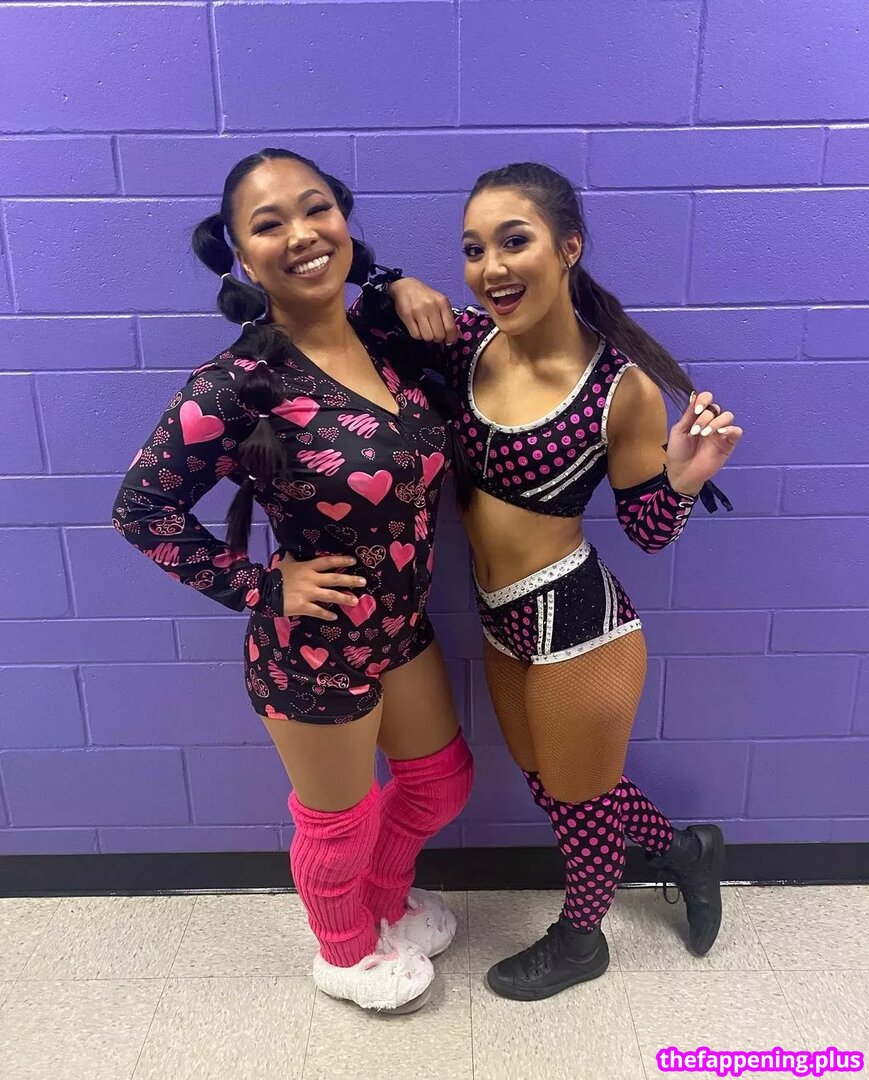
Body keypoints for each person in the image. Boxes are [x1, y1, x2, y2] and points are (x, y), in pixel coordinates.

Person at [112, 148, 474, 1014]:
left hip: (400, 628)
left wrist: (396, 283)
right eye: (269, 224)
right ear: (241, 257)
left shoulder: (388, 344)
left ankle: (385, 900)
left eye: (316, 209)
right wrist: (261, 587)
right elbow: (142, 508)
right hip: (310, 649)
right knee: (338, 823)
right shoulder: (237, 385)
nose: (302, 234)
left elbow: (481, 357)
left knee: (440, 782)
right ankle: (344, 952)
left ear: (343, 220)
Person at [383, 162, 742, 1001]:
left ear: (568, 247)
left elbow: (647, 531)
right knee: (560, 790)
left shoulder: (619, 389)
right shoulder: (465, 344)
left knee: (579, 804)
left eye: (514, 241)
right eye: (473, 249)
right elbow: (350, 310)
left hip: (579, 630)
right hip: (501, 622)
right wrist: (392, 282)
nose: (490, 267)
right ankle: (685, 851)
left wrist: (684, 478)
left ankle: (582, 940)